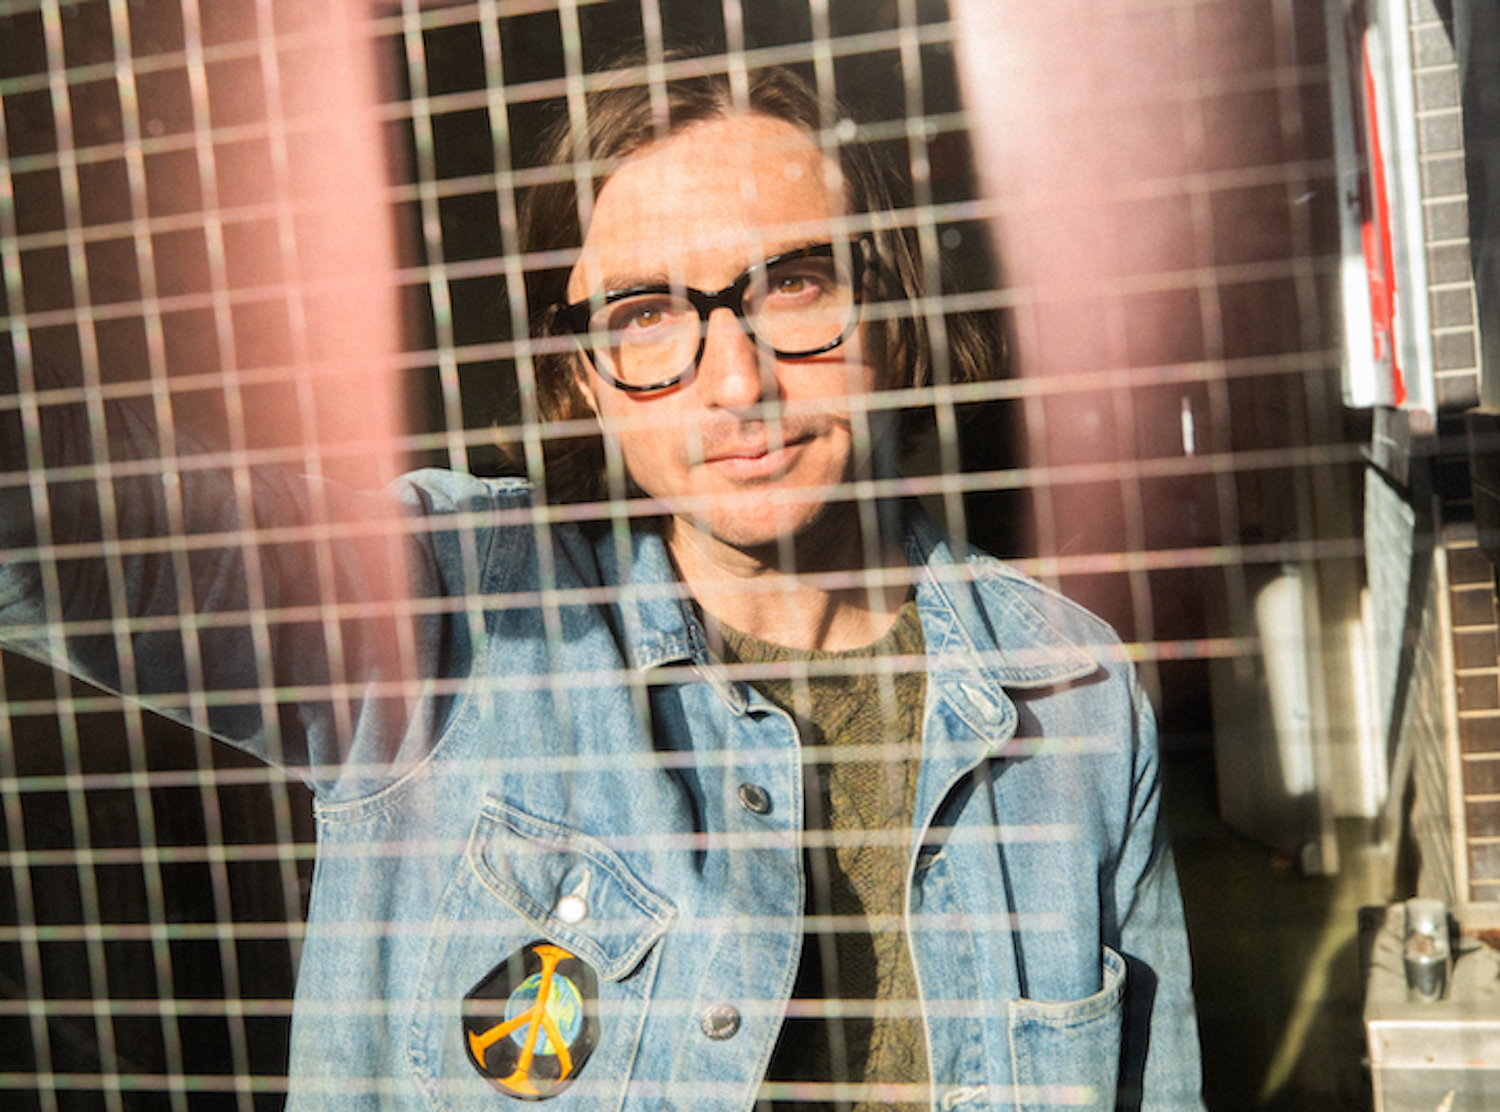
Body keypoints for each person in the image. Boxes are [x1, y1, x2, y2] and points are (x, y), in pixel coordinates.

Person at [0, 52, 1203, 1112]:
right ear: (582, 376)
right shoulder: (452, 613)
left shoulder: (1074, 695)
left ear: (892, 309)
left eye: (794, 284)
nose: (737, 382)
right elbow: (90, 538)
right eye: (646, 315)